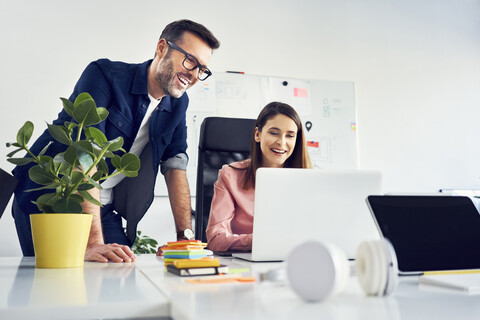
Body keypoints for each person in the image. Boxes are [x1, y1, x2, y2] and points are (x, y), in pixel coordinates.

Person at [12, 19, 220, 263]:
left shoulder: (178, 104)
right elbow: (85, 154)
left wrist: (184, 238)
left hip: (101, 203)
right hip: (50, 195)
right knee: (56, 282)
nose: (194, 74)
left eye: (202, 69)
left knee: (120, 273)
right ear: (162, 47)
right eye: (190, 60)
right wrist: (92, 243)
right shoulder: (104, 75)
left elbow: (175, 166)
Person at [206, 102, 312, 252]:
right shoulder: (230, 176)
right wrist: (263, 241)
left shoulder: (308, 180)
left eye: (290, 135)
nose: (282, 142)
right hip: (248, 264)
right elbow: (216, 240)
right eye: (274, 133)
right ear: (258, 134)